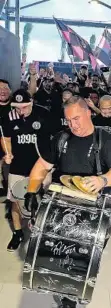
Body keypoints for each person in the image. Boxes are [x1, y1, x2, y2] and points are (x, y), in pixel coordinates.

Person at [25, 96, 111, 308]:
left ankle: (79, 282)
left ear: (88, 113)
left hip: (94, 206)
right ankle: (68, 304)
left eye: (77, 119)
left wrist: (102, 180)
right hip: (63, 202)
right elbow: (41, 166)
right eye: (69, 120)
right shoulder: (61, 138)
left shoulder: (105, 138)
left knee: (86, 254)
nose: (74, 125)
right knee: (63, 253)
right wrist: (31, 191)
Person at [1, 89, 58, 251]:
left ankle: (42, 232)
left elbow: (55, 138)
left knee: (42, 201)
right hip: (18, 167)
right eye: (17, 108)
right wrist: (8, 153)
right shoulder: (10, 117)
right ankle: (18, 233)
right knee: (16, 202)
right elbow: (6, 138)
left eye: (24, 107)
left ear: (31, 102)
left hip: (40, 167)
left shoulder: (44, 114)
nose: (21, 111)